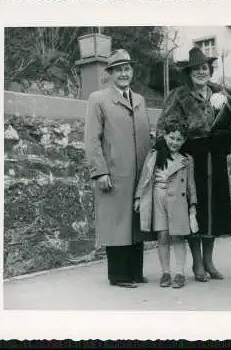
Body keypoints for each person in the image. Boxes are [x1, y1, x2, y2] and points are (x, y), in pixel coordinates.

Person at [156, 47, 231, 282]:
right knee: (194, 207)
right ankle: (197, 263)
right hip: (192, 157)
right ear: (189, 73)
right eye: (196, 69)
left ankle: (210, 261)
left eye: (204, 67)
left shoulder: (220, 94)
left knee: (213, 209)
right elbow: (164, 127)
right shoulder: (179, 96)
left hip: (216, 157)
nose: (201, 72)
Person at [84, 49, 155, 288]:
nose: (124, 73)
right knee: (116, 223)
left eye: (127, 69)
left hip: (139, 173)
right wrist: (100, 171)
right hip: (114, 172)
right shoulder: (98, 99)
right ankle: (118, 275)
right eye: (118, 70)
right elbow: (92, 139)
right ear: (110, 74)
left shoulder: (140, 100)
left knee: (137, 222)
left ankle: (136, 272)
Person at [134, 120, 198, 289]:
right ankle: (165, 273)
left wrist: (193, 205)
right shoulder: (155, 155)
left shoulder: (186, 160)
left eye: (179, 139)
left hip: (178, 200)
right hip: (157, 199)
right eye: (171, 138)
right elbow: (145, 178)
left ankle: (180, 273)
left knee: (177, 236)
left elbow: (191, 184)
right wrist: (138, 198)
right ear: (164, 136)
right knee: (162, 236)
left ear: (184, 141)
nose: (174, 142)